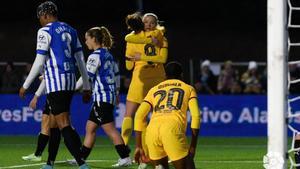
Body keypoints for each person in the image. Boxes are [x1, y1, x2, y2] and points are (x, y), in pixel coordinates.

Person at [18, 1, 91, 169]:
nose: (40, 21)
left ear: (45, 15)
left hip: (55, 82)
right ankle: (49, 163)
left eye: (40, 18)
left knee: (63, 123)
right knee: (53, 124)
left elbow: (39, 61)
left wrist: (26, 84)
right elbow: (81, 60)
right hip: (70, 80)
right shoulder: (72, 30)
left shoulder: (44, 31)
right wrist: (86, 86)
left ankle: (81, 163)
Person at [73, 26, 132, 167]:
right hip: (107, 97)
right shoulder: (108, 54)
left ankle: (125, 157)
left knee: (110, 129)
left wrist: (72, 88)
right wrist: (117, 93)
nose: (85, 42)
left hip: (102, 98)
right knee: (90, 127)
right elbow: (116, 75)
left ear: (94, 39)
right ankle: (80, 158)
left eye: (87, 39)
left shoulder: (95, 55)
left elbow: (87, 77)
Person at [134, 61, 201, 169]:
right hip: (172, 128)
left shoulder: (154, 89)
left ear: (165, 75)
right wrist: (193, 146)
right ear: (182, 75)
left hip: (153, 131)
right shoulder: (188, 88)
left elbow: (139, 115)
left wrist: (138, 146)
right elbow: (196, 116)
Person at [121, 11, 168, 148]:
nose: (148, 25)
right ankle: (158, 151)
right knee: (158, 117)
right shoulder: (161, 38)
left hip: (139, 81)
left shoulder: (132, 38)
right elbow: (163, 59)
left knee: (129, 115)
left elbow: (128, 66)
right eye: (147, 22)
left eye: (151, 23)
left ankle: (123, 152)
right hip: (158, 81)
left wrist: (137, 57)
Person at [21, 79, 52, 162]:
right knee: (46, 126)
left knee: (64, 127)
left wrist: (35, 96)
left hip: (55, 96)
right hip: (52, 96)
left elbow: (46, 79)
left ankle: (80, 156)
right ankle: (37, 154)